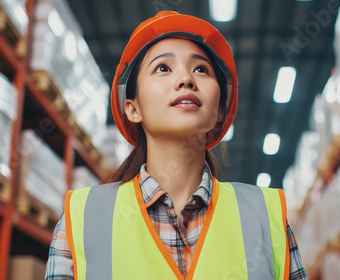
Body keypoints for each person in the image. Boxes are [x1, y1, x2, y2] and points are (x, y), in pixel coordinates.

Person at [45, 11, 307, 280]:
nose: (186, 79)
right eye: (163, 68)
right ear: (133, 109)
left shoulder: (267, 216)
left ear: (219, 112)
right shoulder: (81, 220)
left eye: (201, 69)